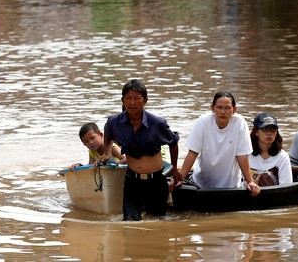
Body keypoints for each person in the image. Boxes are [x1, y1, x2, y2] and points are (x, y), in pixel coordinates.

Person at [103, 79, 181, 221]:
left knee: (157, 224)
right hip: (132, 181)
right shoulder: (114, 122)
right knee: (129, 223)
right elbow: (107, 135)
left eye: (137, 98)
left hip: (156, 181)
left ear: (145, 101)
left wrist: (175, 169)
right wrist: (106, 153)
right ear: (122, 100)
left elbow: (173, 143)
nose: (132, 103)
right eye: (128, 98)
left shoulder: (157, 123)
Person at [177, 91, 260, 196]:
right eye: (219, 107)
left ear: (234, 110)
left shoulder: (239, 123)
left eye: (227, 108)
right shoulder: (203, 121)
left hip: (231, 185)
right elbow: (193, 152)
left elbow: (242, 156)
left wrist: (250, 181)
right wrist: (181, 178)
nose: (223, 112)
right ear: (212, 108)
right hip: (201, 183)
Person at [249, 112, 293, 186]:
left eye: (273, 130)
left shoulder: (282, 156)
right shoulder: (246, 155)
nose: (269, 133)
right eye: (265, 129)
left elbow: (286, 186)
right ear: (256, 132)